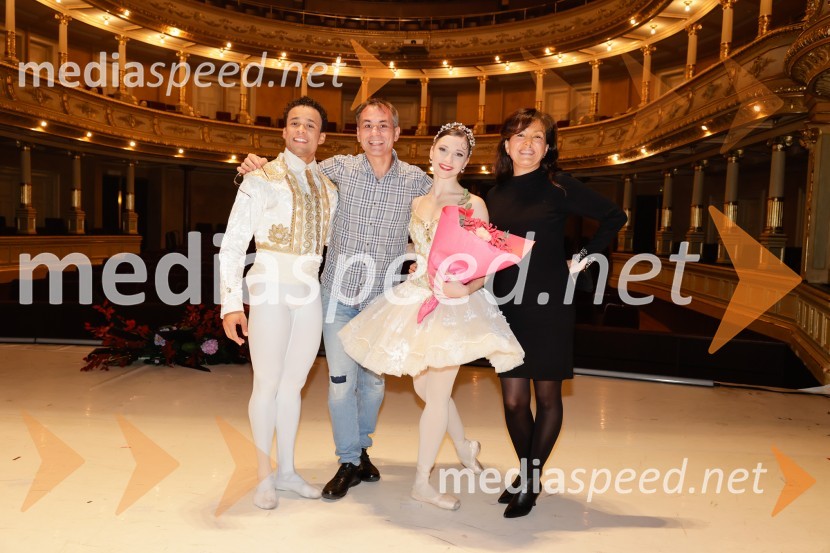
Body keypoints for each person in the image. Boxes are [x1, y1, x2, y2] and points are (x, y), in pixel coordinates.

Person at [238, 98, 444, 500]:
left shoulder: (417, 180)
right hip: (336, 296)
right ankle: (348, 459)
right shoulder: (338, 170)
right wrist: (252, 169)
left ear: (397, 133)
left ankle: (362, 449)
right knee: (338, 384)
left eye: (383, 126)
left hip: (385, 301)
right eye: (366, 126)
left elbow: (443, 210)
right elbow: (291, 175)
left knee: (373, 385)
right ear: (357, 134)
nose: (375, 134)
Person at [337, 123, 523, 510]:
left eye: (459, 153)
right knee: (424, 390)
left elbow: (490, 263)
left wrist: (464, 288)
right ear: (431, 153)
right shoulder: (417, 200)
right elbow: (419, 242)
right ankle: (465, 446)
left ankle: (422, 482)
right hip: (417, 295)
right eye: (444, 150)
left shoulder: (473, 204)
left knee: (436, 393)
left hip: (455, 303)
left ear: (467, 161)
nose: (449, 159)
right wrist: (414, 261)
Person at [486, 108, 627, 518]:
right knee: (514, 400)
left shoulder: (558, 185)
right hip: (507, 303)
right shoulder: (494, 194)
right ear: (506, 144)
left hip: (550, 300)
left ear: (547, 148)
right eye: (519, 136)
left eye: (536, 137)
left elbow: (614, 216)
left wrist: (580, 258)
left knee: (546, 395)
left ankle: (529, 481)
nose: (527, 144)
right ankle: (529, 471)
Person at [219, 96, 338, 509]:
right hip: (269, 287)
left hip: (310, 293)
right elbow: (233, 246)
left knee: (293, 386)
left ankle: (286, 471)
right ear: (284, 131)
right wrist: (231, 304)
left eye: (310, 125)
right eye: (294, 123)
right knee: (266, 383)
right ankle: (263, 475)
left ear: (321, 136)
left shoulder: (328, 188)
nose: (301, 130)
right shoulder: (260, 178)